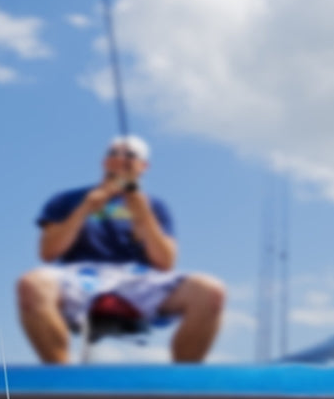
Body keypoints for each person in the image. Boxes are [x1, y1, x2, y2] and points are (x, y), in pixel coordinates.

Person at [17, 136, 225, 363]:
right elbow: (48, 253)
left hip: (139, 278)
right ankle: (60, 378)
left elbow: (165, 263)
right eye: (114, 153)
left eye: (130, 155)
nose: (120, 159)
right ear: (104, 161)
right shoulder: (66, 199)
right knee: (31, 284)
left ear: (143, 166)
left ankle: (185, 384)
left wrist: (144, 215)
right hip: (79, 275)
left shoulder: (155, 206)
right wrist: (85, 208)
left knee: (210, 291)